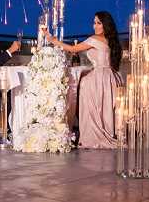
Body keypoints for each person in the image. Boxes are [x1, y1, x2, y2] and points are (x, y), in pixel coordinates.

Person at [46, 11, 123, 149]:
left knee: (85, 88)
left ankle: (93, 136)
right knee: (102, 108)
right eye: (94, 22)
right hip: (110, 77)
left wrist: (53, 40)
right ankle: (106, 132)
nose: (95, 26)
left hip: (98, 78)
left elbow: (73, 49)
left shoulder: (94, 39)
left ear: (105, 25)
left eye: (98, 23)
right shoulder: (111, 40)